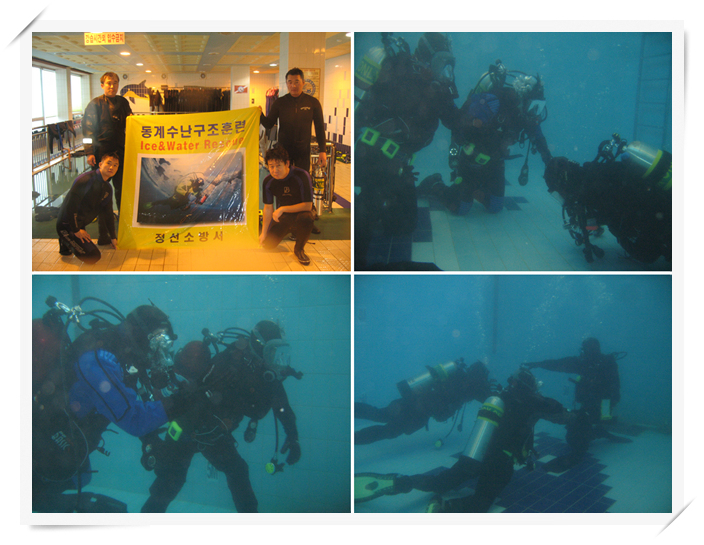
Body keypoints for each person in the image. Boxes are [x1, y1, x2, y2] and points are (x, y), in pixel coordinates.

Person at [32, 300, 202, 512]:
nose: (156, 354)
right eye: (156, 344)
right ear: (140, 334)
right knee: (44, 485)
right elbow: (134, 419)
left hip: (69, 442)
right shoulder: (98, 360)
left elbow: (138, 399)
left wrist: (150, 439)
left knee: (78, 478)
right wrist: (179, 403)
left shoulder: (124, 354)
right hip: (44, 442)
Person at [354, 367, 570, 513]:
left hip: (475, 453)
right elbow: (559, 412)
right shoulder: (534, 403)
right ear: (530, 388)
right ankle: (441, 509)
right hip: (500, 463)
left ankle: (403, 482)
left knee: (441, 482)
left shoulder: (498, 398)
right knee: (481, 502)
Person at [141, 321, 303, 513]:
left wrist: (293, 436)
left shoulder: (267, 375)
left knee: (238, 471)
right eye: (272, 351)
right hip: (187, 429)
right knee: (171, 480)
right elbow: (191, 395)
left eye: (280, 352)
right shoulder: (229, 361)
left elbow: (281, 406)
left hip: (215, 435)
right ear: (259, 345)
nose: (277, 359)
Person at [354, 32, 460, 269]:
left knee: (405, 225)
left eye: (448, 65)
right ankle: (357, 258)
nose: (445, 72)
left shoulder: (438, 90)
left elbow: (455, 121)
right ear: (425, 58)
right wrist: (389, 136)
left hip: (399, 165)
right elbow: (364, 118)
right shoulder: (399, 76)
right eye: (441, 63)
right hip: (372, 159)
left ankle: (417, 189)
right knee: (368, 207)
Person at [418, 60, 552, 215]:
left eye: (539, 107)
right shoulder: (492, 103)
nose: (535, 112)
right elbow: (458, 125)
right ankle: (435, 184)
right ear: (524, 99)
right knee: (460, 209)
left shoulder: (527, 116)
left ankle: (475, 190)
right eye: (534, 106)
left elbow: (539, 138)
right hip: (470, 162)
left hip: (495, 163)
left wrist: (549, 161)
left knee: (495, 207)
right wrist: (454, 152)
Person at [544, 134, 672, 263]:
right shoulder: (595, 172)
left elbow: (610, 217)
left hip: (661, 215)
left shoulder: (589, 191)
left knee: (645, 254)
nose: (563, 197)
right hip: (661, 204)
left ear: (564, 183)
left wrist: (593, 221)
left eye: (559, 193)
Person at [524, 337, 629, 472]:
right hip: (589, 403)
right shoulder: (582, 362)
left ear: (595, 349)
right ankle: (596, 431)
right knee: (576, 430)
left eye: (587, 350)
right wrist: (539, 364)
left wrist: (606, 397)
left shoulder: (607, 363)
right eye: (585, 350)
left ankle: (591, 437)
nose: (585, 353)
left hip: (604, 403)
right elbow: (559, 364)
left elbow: (615, 386)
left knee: (578, 434)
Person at [355, 360, 492, 444]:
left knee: (378, 415)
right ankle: (353, 439)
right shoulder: (461, 389)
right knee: (387, 430)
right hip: (415, 414)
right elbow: (440, 415)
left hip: (407, 403)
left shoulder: (456, 377)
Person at [82, 71, 132, 244]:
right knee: (100, 193)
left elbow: (131, 123)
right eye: (109, 83)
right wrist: (89, 152)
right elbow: (87, 130)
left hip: (120, 153)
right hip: (100, 154)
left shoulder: (123, 102)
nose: (112, 86)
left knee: (121, 191)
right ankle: (103, 235)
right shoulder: (95, 104)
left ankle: (124, 229)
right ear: (102, 85)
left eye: (115, 83)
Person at [259, 67, 327, 173]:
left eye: (296, 82)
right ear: (286, 83)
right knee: (284, 177)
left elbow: (319, 128)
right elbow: (269, 124)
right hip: (284, 150)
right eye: (290, 82)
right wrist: (260, 115)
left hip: (303, 151)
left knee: (302, 177)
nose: (293, 86)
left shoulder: (312, 102)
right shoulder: (280, 103)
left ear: (303, 82)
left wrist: (322, 150)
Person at [56, 152, 120, 264]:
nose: (111, 167)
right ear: (100, 164)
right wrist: (76, 230)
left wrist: (113, 237)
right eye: (109, 163)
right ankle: (65, 237)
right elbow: (70, 206)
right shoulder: (85, 180)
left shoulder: (107, 188)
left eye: (115, 165)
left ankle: (66, 243)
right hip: (67, 224)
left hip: (79, 224)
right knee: (93, 256)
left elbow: (108, 214)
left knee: (85, 251)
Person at [260, 147, 315, 266]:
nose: (275, 170)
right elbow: (268, 208)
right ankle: (292, 228)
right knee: (268, 245)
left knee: (307, 218)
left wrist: (282, 208)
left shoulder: (301, 175)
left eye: (278, 166)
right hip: (285, 216)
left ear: (287, 163)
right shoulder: (268, 181)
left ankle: (299, 249)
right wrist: (264, 233)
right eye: (271, 166)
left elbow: (308, 206)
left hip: (302, 212)